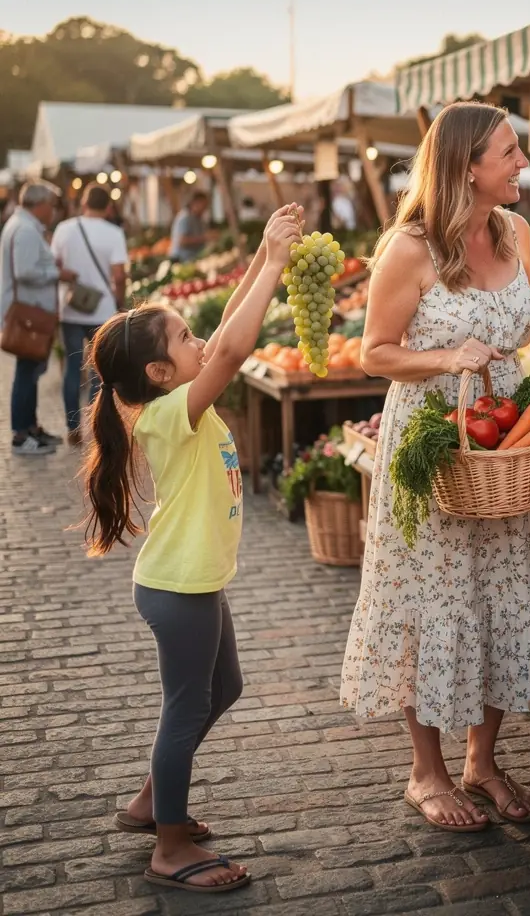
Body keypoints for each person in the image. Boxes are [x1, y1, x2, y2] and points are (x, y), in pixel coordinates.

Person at [340, 102, 530, 832]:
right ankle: (425, 771)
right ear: (468, 164)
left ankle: (482, 760)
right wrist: (444, 357)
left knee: (504, 595)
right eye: (510, 151)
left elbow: (519, 330)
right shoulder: (411, 247)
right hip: (433, 445)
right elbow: (375, 351)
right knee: (431, 600)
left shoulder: (516, 231)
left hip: (502, 446)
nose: (522, 162)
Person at [79, 204, 303, 894]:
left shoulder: (170, 401)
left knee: (222, 688)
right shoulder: (177, 412)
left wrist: (263, 268)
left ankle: (153, 799)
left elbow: (221, 337)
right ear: (159, 372)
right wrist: (269, 263)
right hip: (179, 589)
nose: (198, 338)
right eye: (183, 337)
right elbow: (232, 351)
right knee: (184, 707)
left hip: (192, 581)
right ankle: (169, 847)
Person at [0, 180, 76, 456]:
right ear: (40, 204)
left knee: (30, 372)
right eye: (51, 205)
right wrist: (58, 274)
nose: (53, 211)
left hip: (30, 312)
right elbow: (24, 271)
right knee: (26, 373)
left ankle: (31, 427)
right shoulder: (25, 230)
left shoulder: (22, 226)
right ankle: (22, 434)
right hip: (28, 315)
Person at [52, 182, 128, 445]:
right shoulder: (114, 233)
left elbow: (55, 266)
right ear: (108, 207)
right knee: (99, 371)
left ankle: (73, 429)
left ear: (83, 204)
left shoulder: (64, 229)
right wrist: (120, 301)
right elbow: (119, 275)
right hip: (102, 310)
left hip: (70, 308)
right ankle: (96, 425)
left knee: (72, 369)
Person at [169, 191, 209, 262]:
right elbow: (182, 241)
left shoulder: (198, 219)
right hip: (181, 260)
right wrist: (204, 238)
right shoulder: (185, 218)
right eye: (204, 205)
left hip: (193, 258)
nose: (205, 209)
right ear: (195, 203)